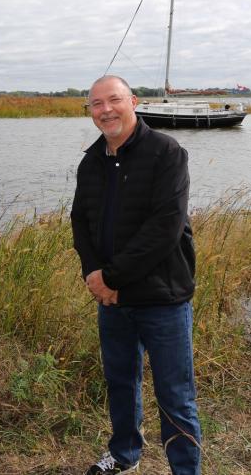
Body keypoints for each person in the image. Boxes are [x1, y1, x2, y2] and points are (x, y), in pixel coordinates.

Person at [71, 76, 201, 475]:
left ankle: (184, 469)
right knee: (121, 383)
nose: (106, 110)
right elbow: (80, 221)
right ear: (90, 111)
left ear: (133, 102)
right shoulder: (91, 161)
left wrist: (111, 277)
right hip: (113, 302)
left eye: (114, 100)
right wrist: (94, 274)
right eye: (96, 103)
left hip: (162, 298)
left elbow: (165, 228)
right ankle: (125, 455)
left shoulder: (166, 152)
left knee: (175, 394)